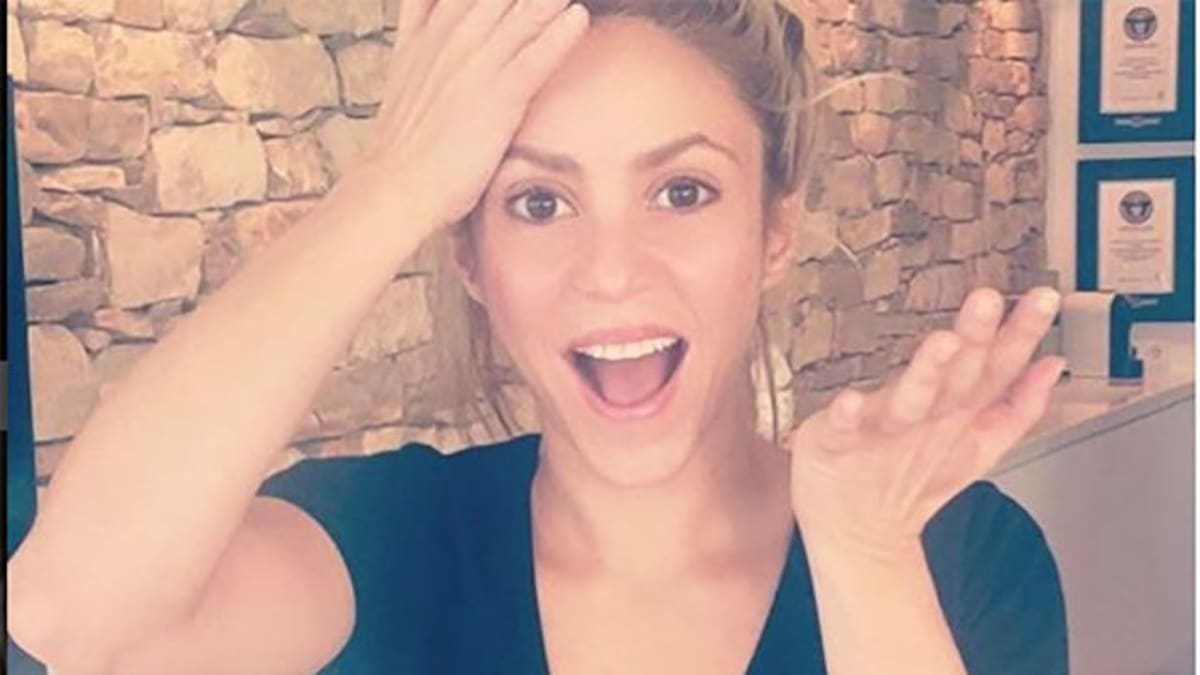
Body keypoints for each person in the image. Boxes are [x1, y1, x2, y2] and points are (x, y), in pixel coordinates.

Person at [8, 1, 1068, 673]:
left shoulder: (954, 554)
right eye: (538, 203)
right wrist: (394, 182)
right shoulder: (388, 542)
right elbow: (67, 614)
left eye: (683, 190)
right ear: (471, 260)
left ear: (774, 232)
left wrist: (866, 561)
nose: (611, 270)